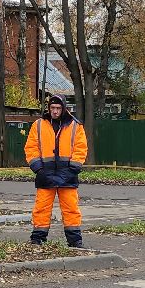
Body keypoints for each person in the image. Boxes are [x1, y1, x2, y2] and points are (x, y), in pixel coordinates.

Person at [25, 94, 89, 248]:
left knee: (71, 208)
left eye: (58, 108)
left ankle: (75, 241)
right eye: (52, 108)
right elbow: (31, 148)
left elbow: (81, 148)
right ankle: (37, 239)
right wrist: (38, 168)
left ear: (64, 109)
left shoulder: (75, 126)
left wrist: (73, 168)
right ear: (48, 108)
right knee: (41, 208)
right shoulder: (39, 125)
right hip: (45, 174)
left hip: (67, 174)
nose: (55, 111)